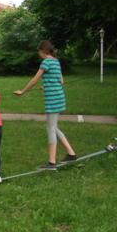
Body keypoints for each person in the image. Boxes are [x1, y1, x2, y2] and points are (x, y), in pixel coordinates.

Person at [14, 40, 77, 170]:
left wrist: (22, 91)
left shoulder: (46, 62)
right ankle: (71, 154)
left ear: (43, 51)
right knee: (53, 127)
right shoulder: (56, 61)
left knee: (50, 129)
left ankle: (51, 163)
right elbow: (61, 80)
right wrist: (47, 85)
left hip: (53, 100)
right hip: (59, 97)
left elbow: (34, 80)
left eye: (39, 52)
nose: (39, 55)